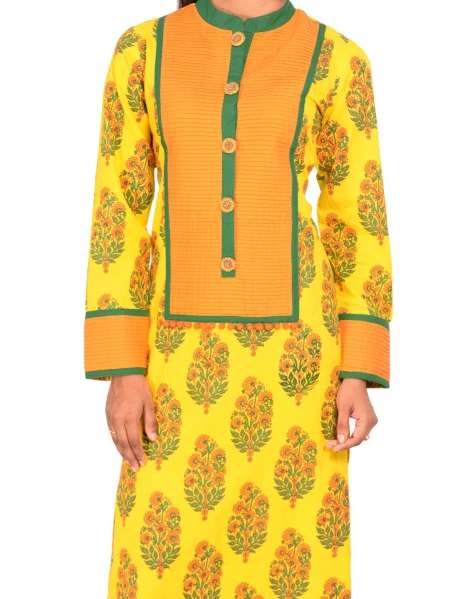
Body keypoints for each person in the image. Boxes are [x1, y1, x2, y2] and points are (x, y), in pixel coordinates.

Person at [83, 0, 393, 596]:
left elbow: (359, 220)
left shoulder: (337, 58)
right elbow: (117, 210)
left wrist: (358, 368)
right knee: (157, 563)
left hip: (298, 370)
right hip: (171, 365)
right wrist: (122, 366)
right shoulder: (143, 50)